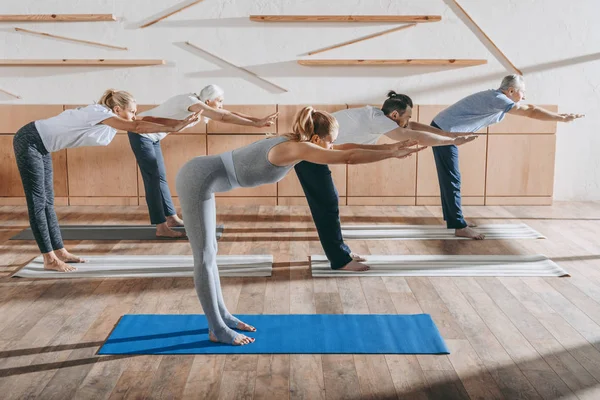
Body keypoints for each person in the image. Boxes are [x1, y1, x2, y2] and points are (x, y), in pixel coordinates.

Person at [175, 106, 427, 345]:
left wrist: (391, 148)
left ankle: (223, 318)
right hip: (199, 178)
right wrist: (392, 153)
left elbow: (347, 147)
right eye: (330, 142)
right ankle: (217, 329)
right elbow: (348, 157)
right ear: (316, 139)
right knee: (205, 256)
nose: (332, 147)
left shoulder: (300, 141)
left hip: (203, 177)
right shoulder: (296, 149)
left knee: (210, 254)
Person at [13, 89, 199, 272]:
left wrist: (179, 123)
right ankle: (49, 258)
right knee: (38, 202)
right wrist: (173, 128)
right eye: (131, 111)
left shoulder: (109, 119)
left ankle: (60, 252)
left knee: (47, 202)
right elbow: (138, 127)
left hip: (41, 146)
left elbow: (144, 121)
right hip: (30, 140)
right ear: (117, 110)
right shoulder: (99, 113)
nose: (134, 116)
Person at [293, 92, 479, 271]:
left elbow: (412, 126)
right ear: (395, 115)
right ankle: (340, 259)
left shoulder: (378, 117)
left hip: (312, 151)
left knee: (329, 203)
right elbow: (414, 135)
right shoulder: (380, 120)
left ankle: (342, 253)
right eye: (406, 116)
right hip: (309, 154)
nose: (407, 121)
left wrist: (448, 134)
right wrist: (453, 142)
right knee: (327, 204)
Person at [431, 74, 584, 239]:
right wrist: (560, 118)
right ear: (511, 91)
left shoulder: (495, 97)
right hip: (444, 131)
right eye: (522, 92)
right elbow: (531, 111)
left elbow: (530, 106)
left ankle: (455, 220)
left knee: (451, 177)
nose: (524, 97)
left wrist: (560, 117)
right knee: (452, 178)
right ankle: (459, 226)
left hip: (444, 128)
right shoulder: (499, 99)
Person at [128, 84, 279, 238]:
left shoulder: (197, 107)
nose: (221, 105)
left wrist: (257, 120)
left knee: (160, 177)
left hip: (153, 136)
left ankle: (171, 218)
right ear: (208, 102)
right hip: (141, 133)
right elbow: (223, 116)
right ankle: (161, 227)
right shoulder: (190, 101)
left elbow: (227, 112)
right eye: (219, 101)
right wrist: (254, 124)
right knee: (152, 179)